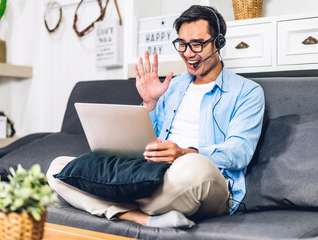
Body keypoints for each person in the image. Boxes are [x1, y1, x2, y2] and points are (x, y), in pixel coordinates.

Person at [47, 5, 265, 229]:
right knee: (58, 169)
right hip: (153, 175)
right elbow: (144, 143)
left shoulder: (247, 92)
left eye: (197, 44)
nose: (188, 53)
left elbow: (240, 151)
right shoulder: (172, 86)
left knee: (195, 166)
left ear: (219, 42)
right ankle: (141, 217)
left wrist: (183, 153)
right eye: (182, 44)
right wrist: (150, 103)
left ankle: (122, 199)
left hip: (203, 180)